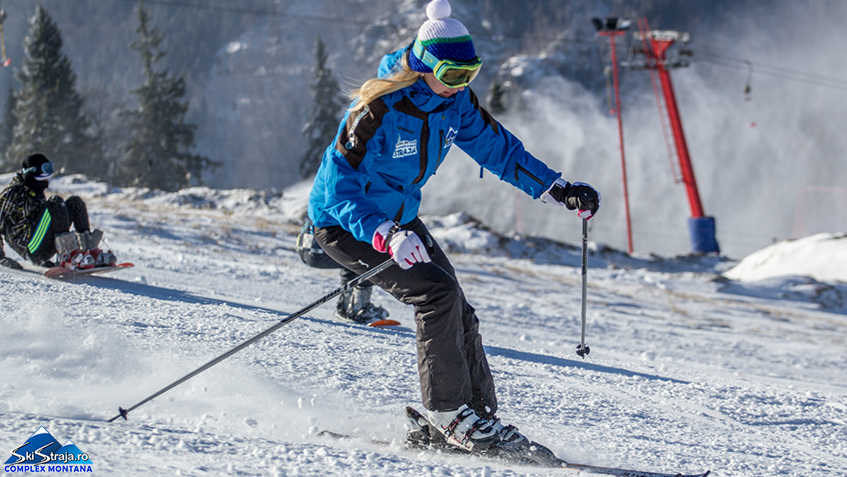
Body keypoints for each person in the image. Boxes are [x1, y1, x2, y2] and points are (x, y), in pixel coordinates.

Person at [307, 0, 600, 452]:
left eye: (470, 75)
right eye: (452, 75)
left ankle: (477, 417)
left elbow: (499, 149)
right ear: (424, 67)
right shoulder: (378, 108)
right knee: (435, 296)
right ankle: (448, 413)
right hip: (347, 224)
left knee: (458, 308)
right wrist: (385, 233)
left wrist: (558, 189)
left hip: (400, 220)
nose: (460, 86)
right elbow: (337, 189)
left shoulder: (454, 103)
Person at [0, 153, 117, 271]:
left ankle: (88, 251)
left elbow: (43, 223)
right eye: (44, 178)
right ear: (31, 173)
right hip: (30, 247)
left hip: (42, 245)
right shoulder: (12, 194)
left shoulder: (36, 191)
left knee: (75, 202)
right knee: (55, 202)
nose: (46, 182)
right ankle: (68, 256)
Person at [297, 218, 390, 323]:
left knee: (351, 258)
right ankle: (360, 308)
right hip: (319, 248)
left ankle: (345, 307)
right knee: (369, 258)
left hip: (307, 247)